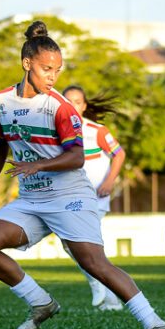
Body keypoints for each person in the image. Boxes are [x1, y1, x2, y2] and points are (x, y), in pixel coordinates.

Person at [0, 21, 165, 329]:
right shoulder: (1, 102)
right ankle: (41, 302)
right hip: (32, 200)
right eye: (47, 69)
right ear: (26, 63)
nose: (53, 77)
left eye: (58, 70)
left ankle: (156, 324)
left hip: (69, 196)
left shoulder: (60, 108)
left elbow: (76, 157)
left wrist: (39, 165)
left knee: (94, 263)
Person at [63, 85, 125, 311]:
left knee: (84, 245)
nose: (73, 105)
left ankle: (99, 286)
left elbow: (119, 154)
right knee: (70, 244)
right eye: (68, 101)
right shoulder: (56, 132)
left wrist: (109, 182)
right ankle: (109, 295)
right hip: (70, 197)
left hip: (94, 197)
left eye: (77, 101)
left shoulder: (96, 130)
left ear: (84, 105)